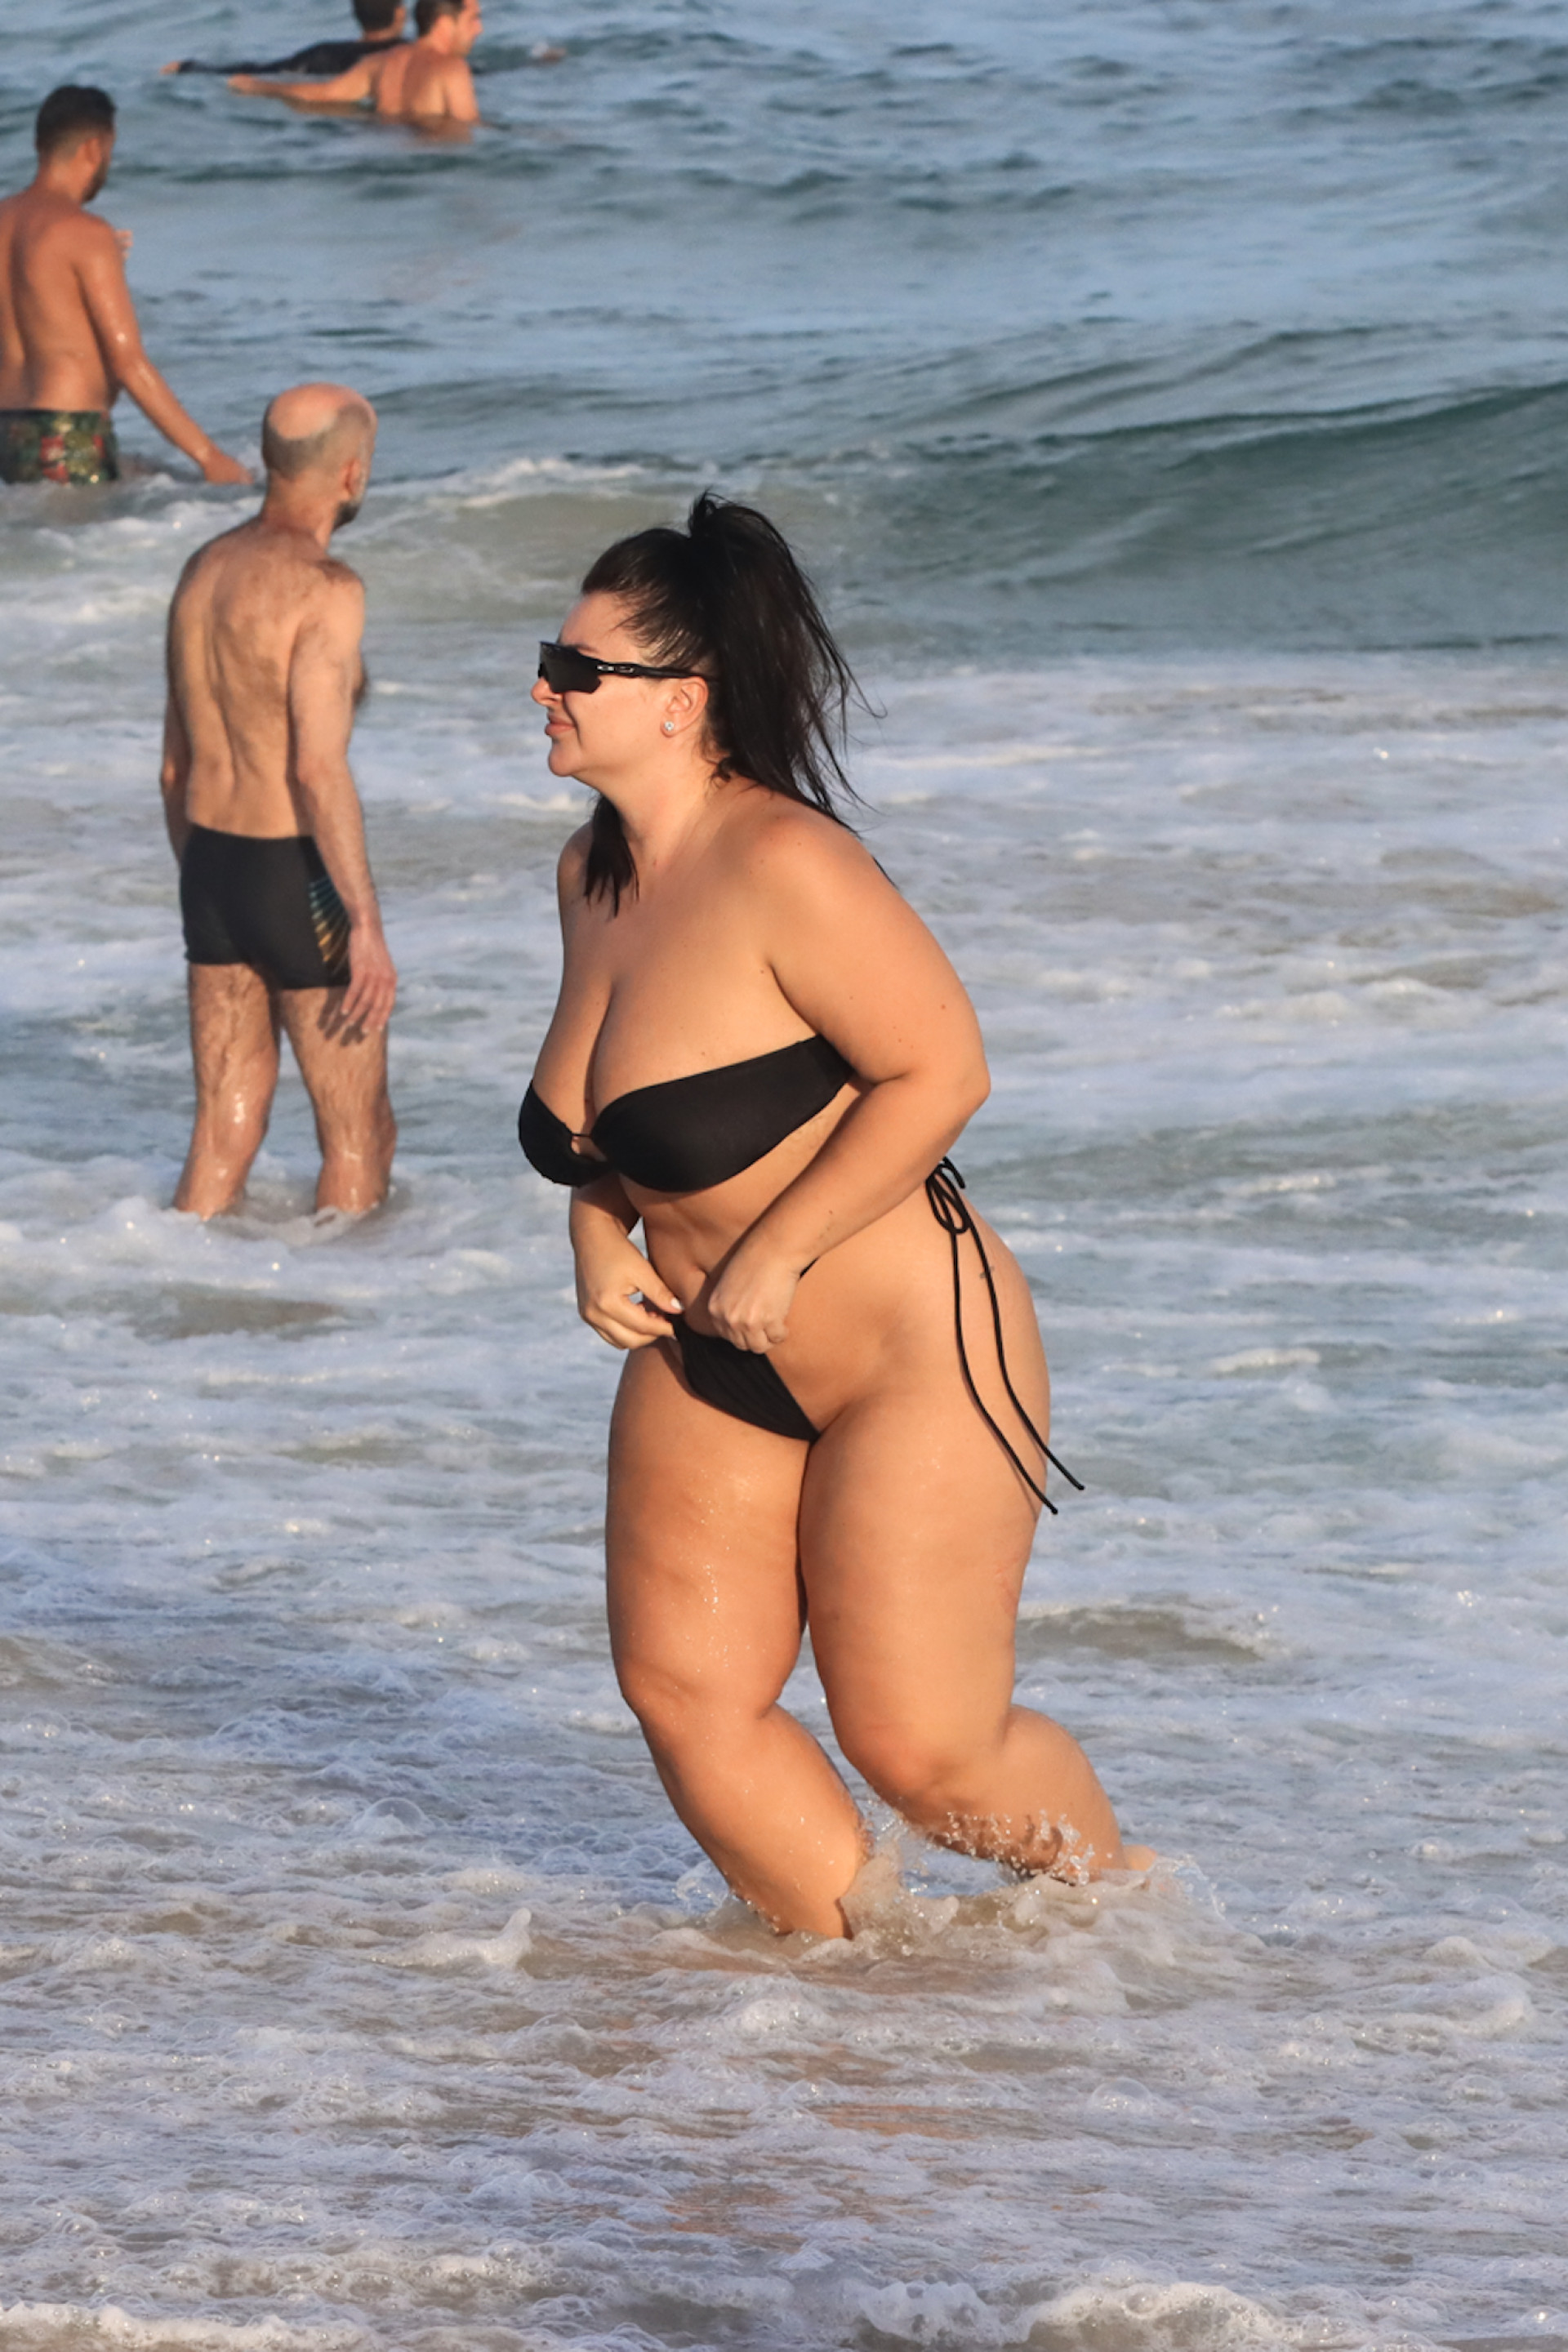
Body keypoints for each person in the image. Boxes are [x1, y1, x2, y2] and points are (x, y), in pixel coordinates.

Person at [519, 495, 1152, 1939]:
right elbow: (614, 1129)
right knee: (686, 1696)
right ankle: (862, 1996)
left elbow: (943, 1070)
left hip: (903, 1354)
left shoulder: (786, 863)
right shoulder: (591, 877)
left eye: (574, 669)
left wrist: (781, 1249)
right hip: (706, 1351)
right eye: (547, 662)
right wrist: (595, 1232)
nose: (544, 690)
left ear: (680, 701)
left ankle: (1138, 1938)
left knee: (925, 1752)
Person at [162, 383, 398, 1219]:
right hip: (296, 878)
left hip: (210, 866)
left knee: (223, 1130)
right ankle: (355, 1295)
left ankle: (166, 1279)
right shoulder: (326, 588)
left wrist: (210, 881)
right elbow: (316, 770)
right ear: (351, 472)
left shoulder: (205, 570)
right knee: (359, 1136)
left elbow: (173, 768)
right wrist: (362, 922)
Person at [0, 87, 249, 488]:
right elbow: (128, 363)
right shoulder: (87, 233)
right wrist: (209, 457)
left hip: (8, 430)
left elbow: (34, 298)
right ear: (95, 148)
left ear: (38, 145)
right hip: (69, 432)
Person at [230, 0, 481, 124]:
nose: (479, 29)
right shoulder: (452, 68)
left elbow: (321, 94)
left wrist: (257, 86)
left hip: (377, 144)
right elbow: (468, 127)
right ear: (445, 23)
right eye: (472, 19)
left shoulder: (377, 63)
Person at [163, 0, 408, 82]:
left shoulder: (323, 53)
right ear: (400, 14)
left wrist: (191, 68)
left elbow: (262, 70)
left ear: (355, 14)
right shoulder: (411, 55)